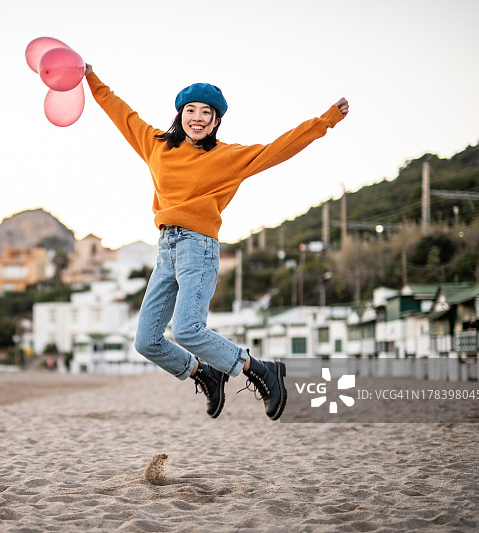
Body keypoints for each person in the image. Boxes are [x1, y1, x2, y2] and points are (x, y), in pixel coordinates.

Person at [84, 63, 349, 420]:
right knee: (146, 341)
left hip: (198, 247)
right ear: (180, 115)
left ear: (215, 121)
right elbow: (120, 112)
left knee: (187, 329)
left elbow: (281, 147)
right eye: (190, 110)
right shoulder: (155, 145)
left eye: (206, 113)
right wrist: (89, 76)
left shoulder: (227, 157)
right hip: (166, 250)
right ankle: (203, 373)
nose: (197, 117)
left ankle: (262, 371)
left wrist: (326, 120)